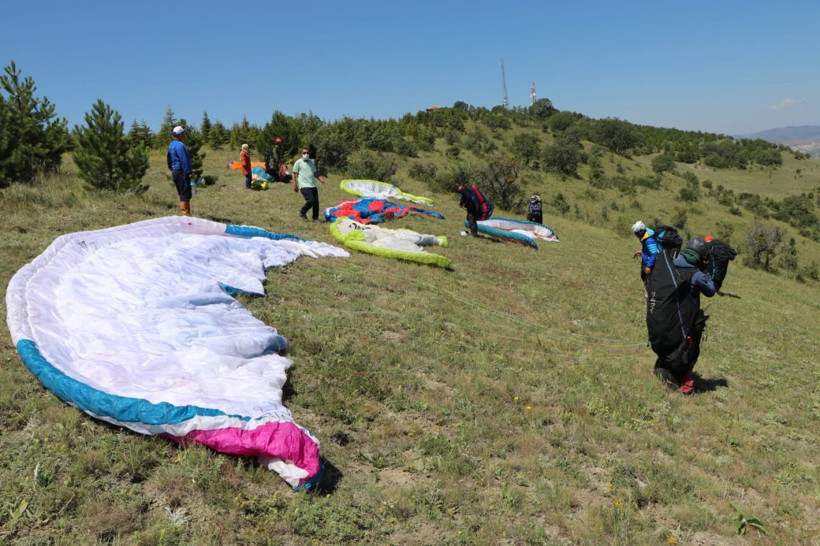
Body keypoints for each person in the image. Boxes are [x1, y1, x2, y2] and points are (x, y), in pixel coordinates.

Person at [647, 237, 716, 394]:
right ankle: (687, 385)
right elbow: (711, 290)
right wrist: (707, 269)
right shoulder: (697, 274)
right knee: (690, 350)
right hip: (687, 321)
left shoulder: (671, 265)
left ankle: (665, 369)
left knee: (673, 345)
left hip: (669, 318)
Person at [167, 126, 194, 215]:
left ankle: (185, 213)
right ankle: (186, 214)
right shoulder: (180, 145)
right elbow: (184, 160)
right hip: (182, 171)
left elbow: (168, 159)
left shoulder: (171, 145)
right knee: (185, 193)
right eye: (183, 133)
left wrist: (173, 169)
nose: (184, 135)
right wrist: (189, 172)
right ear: (179, 134)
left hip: (175, 171)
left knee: (181, 192)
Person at [292, 146, 325, 221]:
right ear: (301, 154)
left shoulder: (311, 163)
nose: (306, 154)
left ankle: (315, 218)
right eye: (304, 153)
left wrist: (320, 179)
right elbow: (294, 173)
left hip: (312, 185)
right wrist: (295, 184)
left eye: (307, 153)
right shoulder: (298, 162)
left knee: (316, 202)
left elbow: (315, 173)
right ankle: (302, 212)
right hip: (304, 186)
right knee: (311, 200)